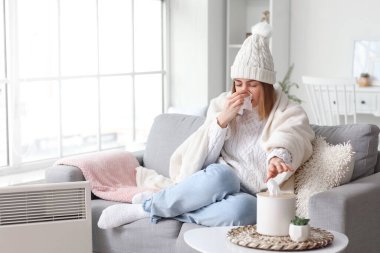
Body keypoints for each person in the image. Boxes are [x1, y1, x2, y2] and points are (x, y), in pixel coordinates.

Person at [97, 22, 315, 229]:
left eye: (252, 84)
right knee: (224, 175)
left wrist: (278, 157)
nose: (244, 91)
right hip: (218, 182)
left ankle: (153, 207)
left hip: (247, 194)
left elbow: (292, 135)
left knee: (248, 209)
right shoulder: (222, 104)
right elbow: (203, 159)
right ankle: (148, 208)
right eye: (238, 83)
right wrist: (222, 121)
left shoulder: (288, 111)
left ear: (266, 85)